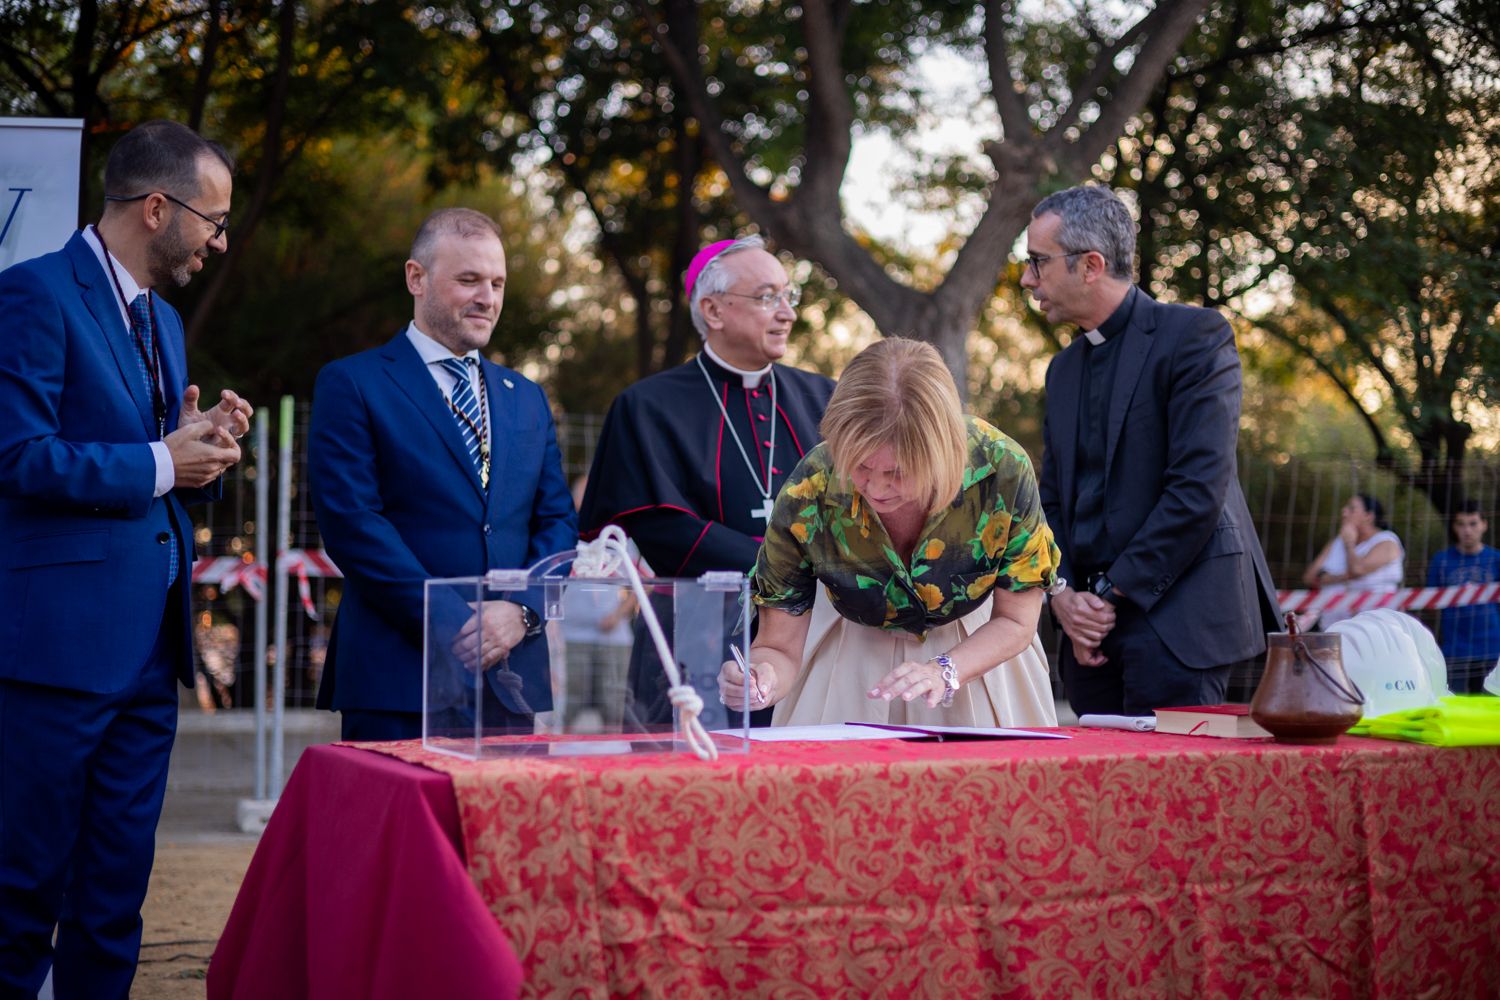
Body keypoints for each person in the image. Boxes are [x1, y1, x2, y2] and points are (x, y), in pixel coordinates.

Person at [0, 119, 250, 999]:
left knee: (113, 900)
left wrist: (200, 450)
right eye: (212, 221)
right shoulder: (30, 295)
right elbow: (16, 456)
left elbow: (154, 476)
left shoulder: (165, 321)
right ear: (156, 207)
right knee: (20, 894)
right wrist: (158, 460)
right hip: (54, 660)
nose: (219, 241)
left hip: (149, 655)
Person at [309, 208, 576, 741]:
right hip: (396, 676)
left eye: (497, 283)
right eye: (469, 280)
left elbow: (557, 522)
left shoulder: (525, 397)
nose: (488, 298)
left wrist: (521, 613)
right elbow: (353, 524)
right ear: (417, 278)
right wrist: (455, 623)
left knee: (503, 829)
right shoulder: (353, 383)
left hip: (510, 681)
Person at [1027, 184, 1281, 717]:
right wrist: (1065, 597)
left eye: (1038, 262)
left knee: (1182, 800)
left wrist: (1108, 596)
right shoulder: (1062, 369)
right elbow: (1049, 501)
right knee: (1095, 797)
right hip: (1088, 638)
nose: (1028, 279)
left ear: (1090, 264)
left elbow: (1196, 490)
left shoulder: (1195, 337)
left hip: (1179, 627)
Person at [721, 338, 1061, 727]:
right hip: (848, 660)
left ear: (942, 452)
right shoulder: (809, 488)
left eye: (898, 472)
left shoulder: (1003, 469)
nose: (877, 489)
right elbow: (778, 647)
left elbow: (1017, 621)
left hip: (981, 654)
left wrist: (944, 671)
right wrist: (760, 679)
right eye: (860, 467)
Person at [580, 235, 835, 723]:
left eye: (789, 296)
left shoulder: (826, 397)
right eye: (767, 297)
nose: (787, 313)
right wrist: (782, 563)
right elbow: (658, 526)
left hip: (815, 633)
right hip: (693, 635)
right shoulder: (647, 407)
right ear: (713, 311)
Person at [1424, 500, 1500, 693]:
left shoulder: (1495, 559)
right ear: (1454, 526)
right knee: (1454, 705)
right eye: (1461, 524)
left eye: (1473, 523)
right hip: (1454, 650)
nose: (1467, 530)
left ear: (1484, 524)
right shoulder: (1441, 561)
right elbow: (1429, 606)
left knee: (1490, 709)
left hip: (1491, 648)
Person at [1302, 494, 1404, 630]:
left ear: (1369, 516)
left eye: (1351, 509)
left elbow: (1357, 570)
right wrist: (1346, 577)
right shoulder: (1338, 541)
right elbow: (1309, 577)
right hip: (1333, 628)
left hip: (1376, 628)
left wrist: (1349, 544)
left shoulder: (1387, 542)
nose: (1344, 512)